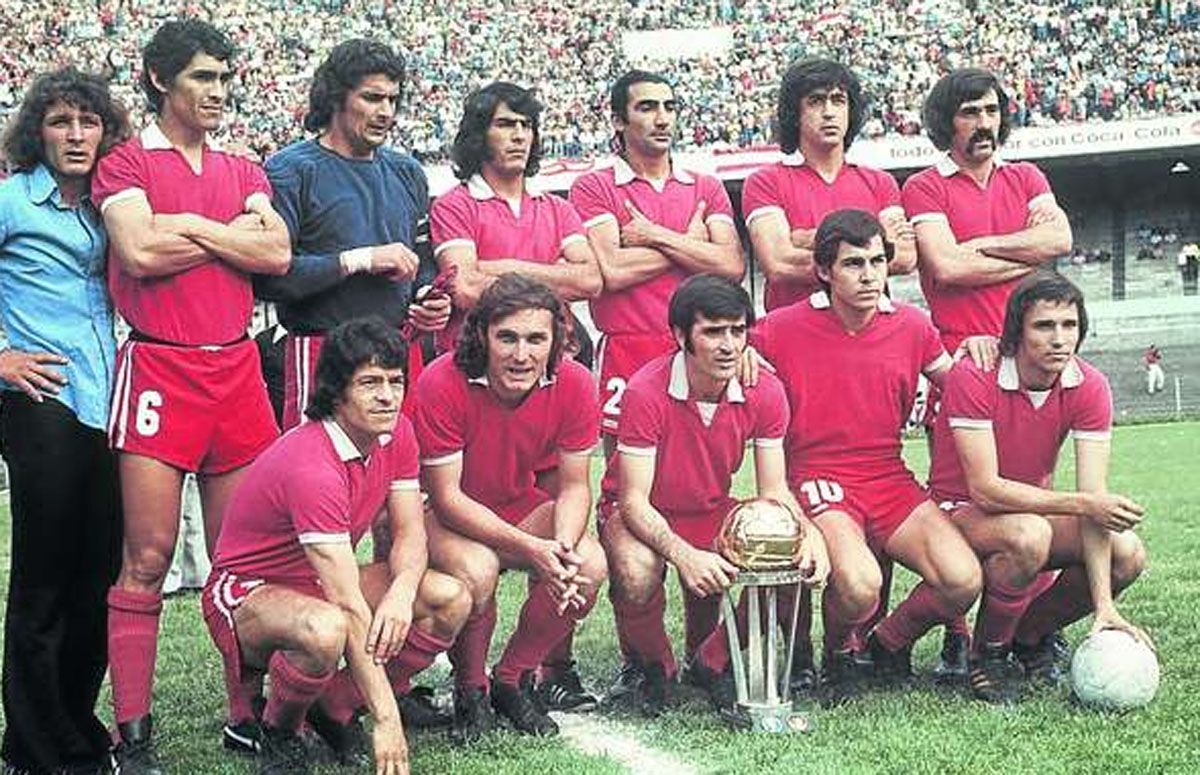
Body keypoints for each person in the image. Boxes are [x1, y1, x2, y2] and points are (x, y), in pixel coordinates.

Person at [89, 18, 292, 770]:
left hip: (236, 370)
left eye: (225, 78)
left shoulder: (243, 166)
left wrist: (191, 226)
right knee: (147, 556)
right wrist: (227, 234)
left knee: (239, 561)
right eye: (203, 77)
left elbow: (277, 252)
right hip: (160, 368)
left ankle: (245, 715)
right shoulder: (124, 162)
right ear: (159, 79)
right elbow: (139, 251)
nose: (218, 91)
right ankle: (133, 734)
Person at [203, 318, 469, 773]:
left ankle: (333, 704)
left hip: (318, 584)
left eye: (395, 381)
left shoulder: (398, 432)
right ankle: (280, 728)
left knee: (449, 598)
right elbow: (345, 604)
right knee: (327, 628)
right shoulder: (313, 463)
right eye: (370, 383)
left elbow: (410, 532)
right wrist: (387, 719)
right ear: (336, 392)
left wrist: (402, 592)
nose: (387, 396)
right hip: (247, 594)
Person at [563, 69, 744, 709]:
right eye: (646, 107)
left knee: (703, 486)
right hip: (629, 351)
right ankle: (644, 661)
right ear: (620, 120)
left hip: (700, 350)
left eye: (669, 106)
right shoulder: (594, 185)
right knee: (628, 493)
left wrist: (657, 236)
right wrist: (694, 245)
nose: (662, 117)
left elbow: (732, 266)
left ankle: (703, 653)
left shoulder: (704, 183)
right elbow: (609, 272)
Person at [753, 209, 981, 703]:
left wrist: (988, 353)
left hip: (888, 475)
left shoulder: (912, 325)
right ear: (824, 270)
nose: (869, 275)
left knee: (962, 580)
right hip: (818, 477)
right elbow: (725, 353)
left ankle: (885, 644)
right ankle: (840, 655)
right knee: (860, 585)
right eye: (854, 264)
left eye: (877, 262)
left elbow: (958, 383)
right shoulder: (779, 328)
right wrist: (742, 358)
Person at [901, 67, 1073, 677]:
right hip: (960, 358)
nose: (984, 123)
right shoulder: (925, 187)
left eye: (992, 111)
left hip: (1028, 359)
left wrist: (983, 247)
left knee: (1033, 486)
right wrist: (1025, 253)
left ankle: (1029, 630)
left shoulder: (1027, 176)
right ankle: (956, 631)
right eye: (970, 112)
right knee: (958, 495)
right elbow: (946, 268)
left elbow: (1059, 239)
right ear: (945, 122)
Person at [600, 274, 828, 715]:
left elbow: (774, 490)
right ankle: (655, 669)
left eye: (737, 331)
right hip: (639, 509)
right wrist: (684, 555)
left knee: (787, 556)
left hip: (710, 506)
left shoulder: (765, 388)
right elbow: (633, 501)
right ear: (680, 335)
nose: (728, 345)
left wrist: (809, 532)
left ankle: (711, 661)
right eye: (712, 332)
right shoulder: (645, 390)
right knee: (636, 571)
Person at [928, 271, 1149, 701]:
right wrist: (1084, 504)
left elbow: (1093, 496)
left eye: (1070, 325)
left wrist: (1104, 605)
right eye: (1044, 326)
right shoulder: (975, 373)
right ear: (1016, 330)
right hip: (957, 509)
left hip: (1030, 512)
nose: (1059, 339)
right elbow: (984, 489)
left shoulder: (1090, 385)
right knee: (1029, 535)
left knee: (1127, 552)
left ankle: (1029, 637)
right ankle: (988, 654)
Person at [0, 66, 129, 775]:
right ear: (37, 132)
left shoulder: (110, 207)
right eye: (61, 122)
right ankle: (33, 746)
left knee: (97, 578)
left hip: (107, 406)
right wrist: (1, 359)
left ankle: (77, 725)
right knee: (43, 581)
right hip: (43, 406)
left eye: (89, 121)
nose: (77, 135)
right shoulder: (11, 201)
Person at [413, 273, 606, 743]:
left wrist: (561, 549)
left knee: (587, 564)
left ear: (556, 340)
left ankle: (512, 679)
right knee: (478, 570)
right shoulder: (441, 380)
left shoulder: (576, 382)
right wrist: (531, 547)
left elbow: (575, 487)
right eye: (508, 338)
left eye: (536, 339)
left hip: (517, 504)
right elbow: (447, 498)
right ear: (482, 335)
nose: (522, 354)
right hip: (444, 513)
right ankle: (471, 688)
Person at [256, 38, 450, 430]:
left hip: (396, 351)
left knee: (400, 465)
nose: (386, 112)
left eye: (392, 100)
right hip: (324, 352)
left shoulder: (407, 172)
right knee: (319, 465)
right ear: (336, 98)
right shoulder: (290, 171)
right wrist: (360, 260)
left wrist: (428, 297)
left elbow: (422, 259)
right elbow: (271, 279)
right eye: (372, 98)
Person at [430, 81, 602, 354]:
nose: (520, 135)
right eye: (505, 124)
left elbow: (591, 280)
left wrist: (502, 268)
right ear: (479, 134)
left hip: (546, 360)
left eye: (527, 125)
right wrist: (555, 278)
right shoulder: (453, 206)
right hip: (473, 361)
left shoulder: (558, 208)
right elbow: (466, 288)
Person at [742, 58, 915, 312]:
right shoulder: (765, 182)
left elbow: (906, 257)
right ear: (795, 114)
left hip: (872, 328)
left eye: (838, 100)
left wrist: (803, 238)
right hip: (796, 330)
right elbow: (779, 264)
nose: (829, 112)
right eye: (815, 101)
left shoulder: (881, 183)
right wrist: (874, 244)